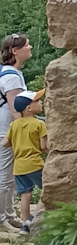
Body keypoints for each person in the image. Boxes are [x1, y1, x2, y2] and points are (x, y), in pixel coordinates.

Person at [0, 34, 37, 231]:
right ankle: (2, 219)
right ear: (15, 51)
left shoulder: (7, 72)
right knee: (5, 176)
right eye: (26, 45)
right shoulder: (12, 77)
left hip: (5, 131)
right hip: (6, 132)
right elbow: (16, 111)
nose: (30, 47)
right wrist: (23, 136)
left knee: (9, 176)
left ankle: (8, 215)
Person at [6, 93, 46, 233]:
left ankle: (24, 225)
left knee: (25, 194)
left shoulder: (14, 124)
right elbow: (43, 146)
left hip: (19, 166)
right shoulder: (39, 124)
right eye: (37, 100)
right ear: (29, 108)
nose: (41, 102)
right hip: (35, 164)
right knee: (48, 190)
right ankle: (33, 218)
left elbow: (5, 143)